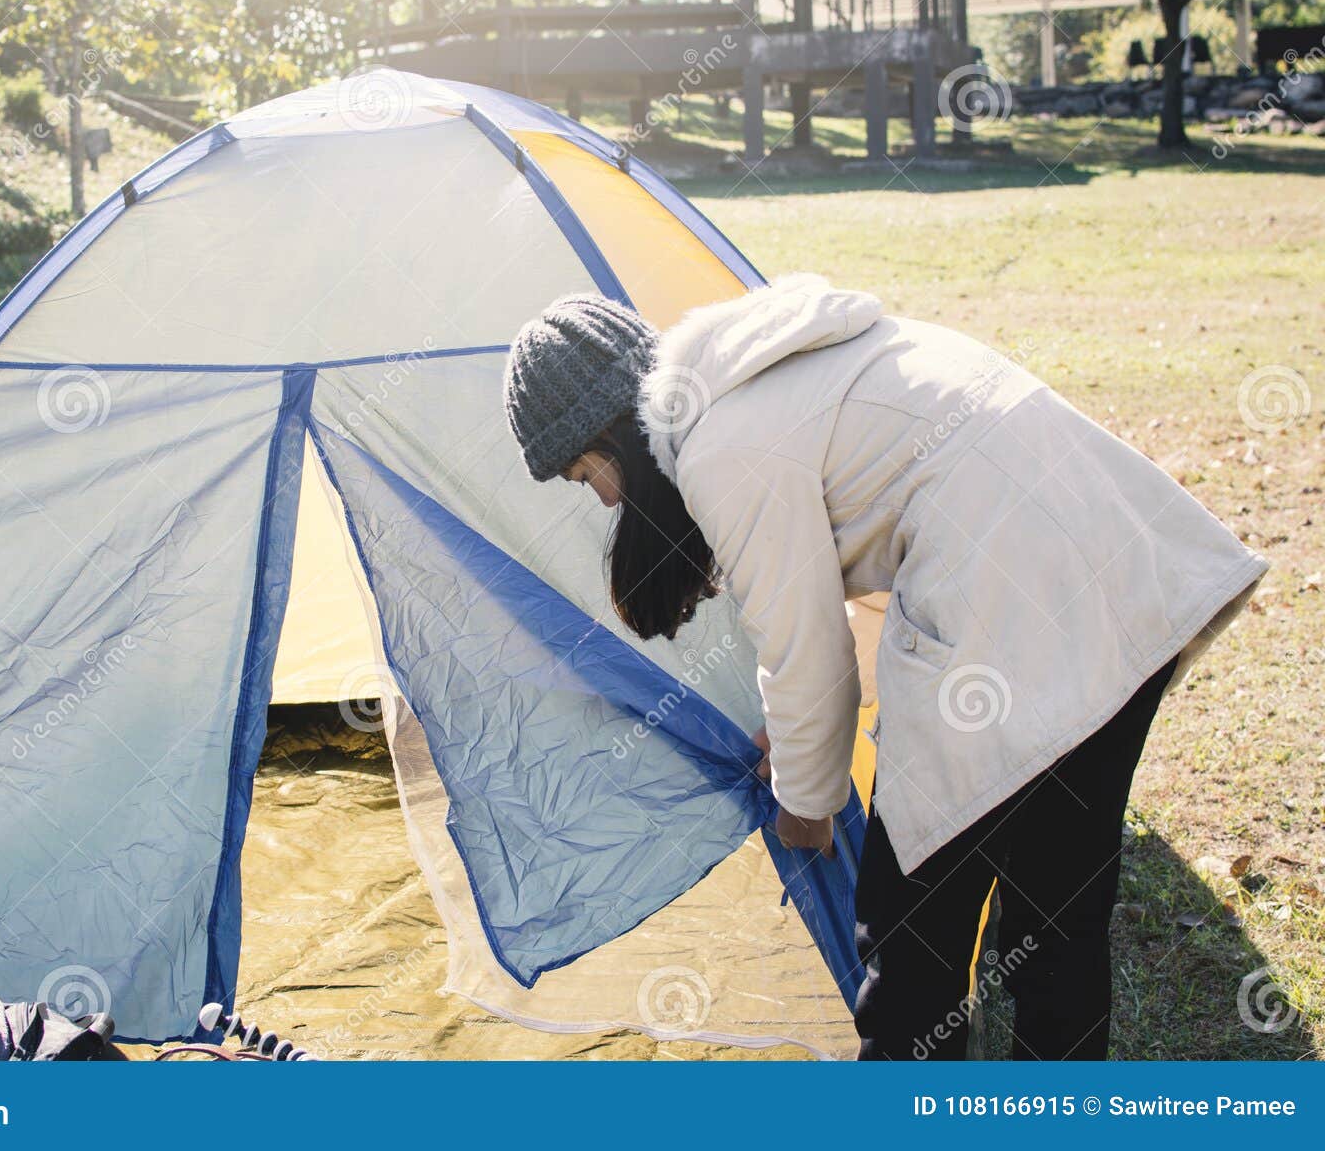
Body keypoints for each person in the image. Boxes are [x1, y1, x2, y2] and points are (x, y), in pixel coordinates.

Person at [501, 276, 1267, 1060]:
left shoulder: (722, 447)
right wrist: (798, 739)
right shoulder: (767, 368)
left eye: (583, 473)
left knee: (910, 946)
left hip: (1006, 613)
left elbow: (808, 652)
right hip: (1115, 584)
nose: (598, 499)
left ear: (612, 435)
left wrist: (806, 803)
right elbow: (811, 623)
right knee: (1056, 924)